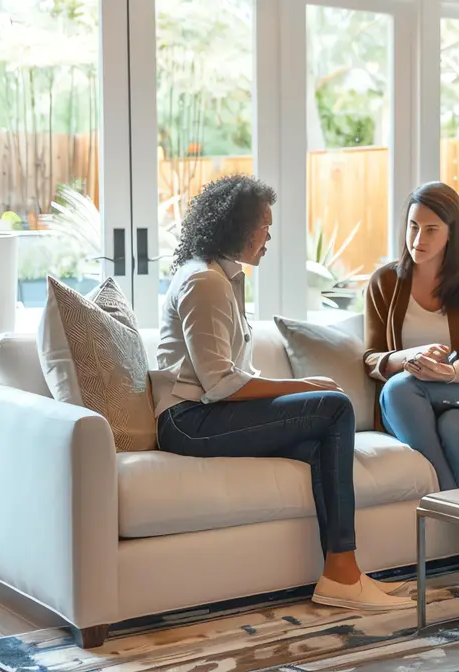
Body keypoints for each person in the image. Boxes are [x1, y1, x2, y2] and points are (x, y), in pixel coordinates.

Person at [152, 174, 412, 611]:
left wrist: (296, 392)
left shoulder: (223, 277)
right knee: (334, 407)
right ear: (237, 227)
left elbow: (228, 374)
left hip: (201, 414)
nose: (269, 235)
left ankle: (341, 573)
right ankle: (343, 573)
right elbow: (220, 384)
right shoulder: (206, 283)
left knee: (320, 441)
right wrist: (304, 385)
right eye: (264, 226)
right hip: (188, 422)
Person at [363, 181, 459, 604]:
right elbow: (372, 359)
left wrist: (448, 372)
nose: (418, 239)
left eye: (431, 229)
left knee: (454, 421)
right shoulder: (384, 283)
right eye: (413, 227)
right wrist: (408, 356)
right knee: (398, 390)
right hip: (408, 406)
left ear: (453, 233)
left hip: (457, 398)